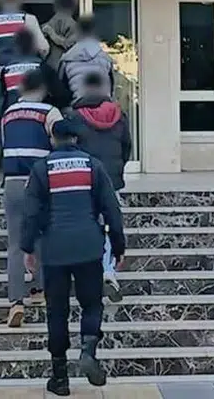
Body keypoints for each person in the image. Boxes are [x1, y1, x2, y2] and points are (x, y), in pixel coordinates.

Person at [21, 118, 126, 396]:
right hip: (89, 247)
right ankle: (88, 350)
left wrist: (27, 248)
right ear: (77, 139)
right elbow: (112, 210)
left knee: (57, 311)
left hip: (54, 249)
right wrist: (118, 247)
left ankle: (60, 378)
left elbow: (30, 213)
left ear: (53, 140)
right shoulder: (93, 166)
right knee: (91, 304)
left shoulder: (41, 169)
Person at [0, 69, 64, 327]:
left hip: (12, 184)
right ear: (43, 89)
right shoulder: (49, 113)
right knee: (43, 236)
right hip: (39, 183)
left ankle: (16, 303)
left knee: (16, 244)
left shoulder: (8, 114)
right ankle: (40, 289)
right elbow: (61, 145)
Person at [66, 71, 132, 303]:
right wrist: (118, 170)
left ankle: (86, 273)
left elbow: (71, 147)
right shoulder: (119, 115)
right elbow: (127, 147)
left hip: (85, 180)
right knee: (109, 226)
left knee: (86, 225)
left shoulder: (75, 116)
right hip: (111, 180)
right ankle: (108, 272)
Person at [0, 0, 49, 149]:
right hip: (26, 74)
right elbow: (44, 48)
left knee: (3, 119)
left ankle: (6, 154)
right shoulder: (28, 19)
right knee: (32, 115)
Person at [1, 29, 69, 111]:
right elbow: (62, 97)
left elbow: (3, 100)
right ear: (34, 45)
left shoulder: (6, 70)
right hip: (38, 115)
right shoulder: (43, 67)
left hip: (12, 115)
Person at [59, 15, 115, 102]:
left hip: (78, 105)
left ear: (78, 31)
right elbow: (111, 88)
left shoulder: (67, 59)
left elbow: (62, 91)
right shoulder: (106, 59)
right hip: (103, 105)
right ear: (94, 32)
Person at [41, 0, 80, 72]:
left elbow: (67, 44)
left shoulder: (73, 25)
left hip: (62, 66)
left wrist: (52, 34)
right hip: (56, 66)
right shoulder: (48, 24)